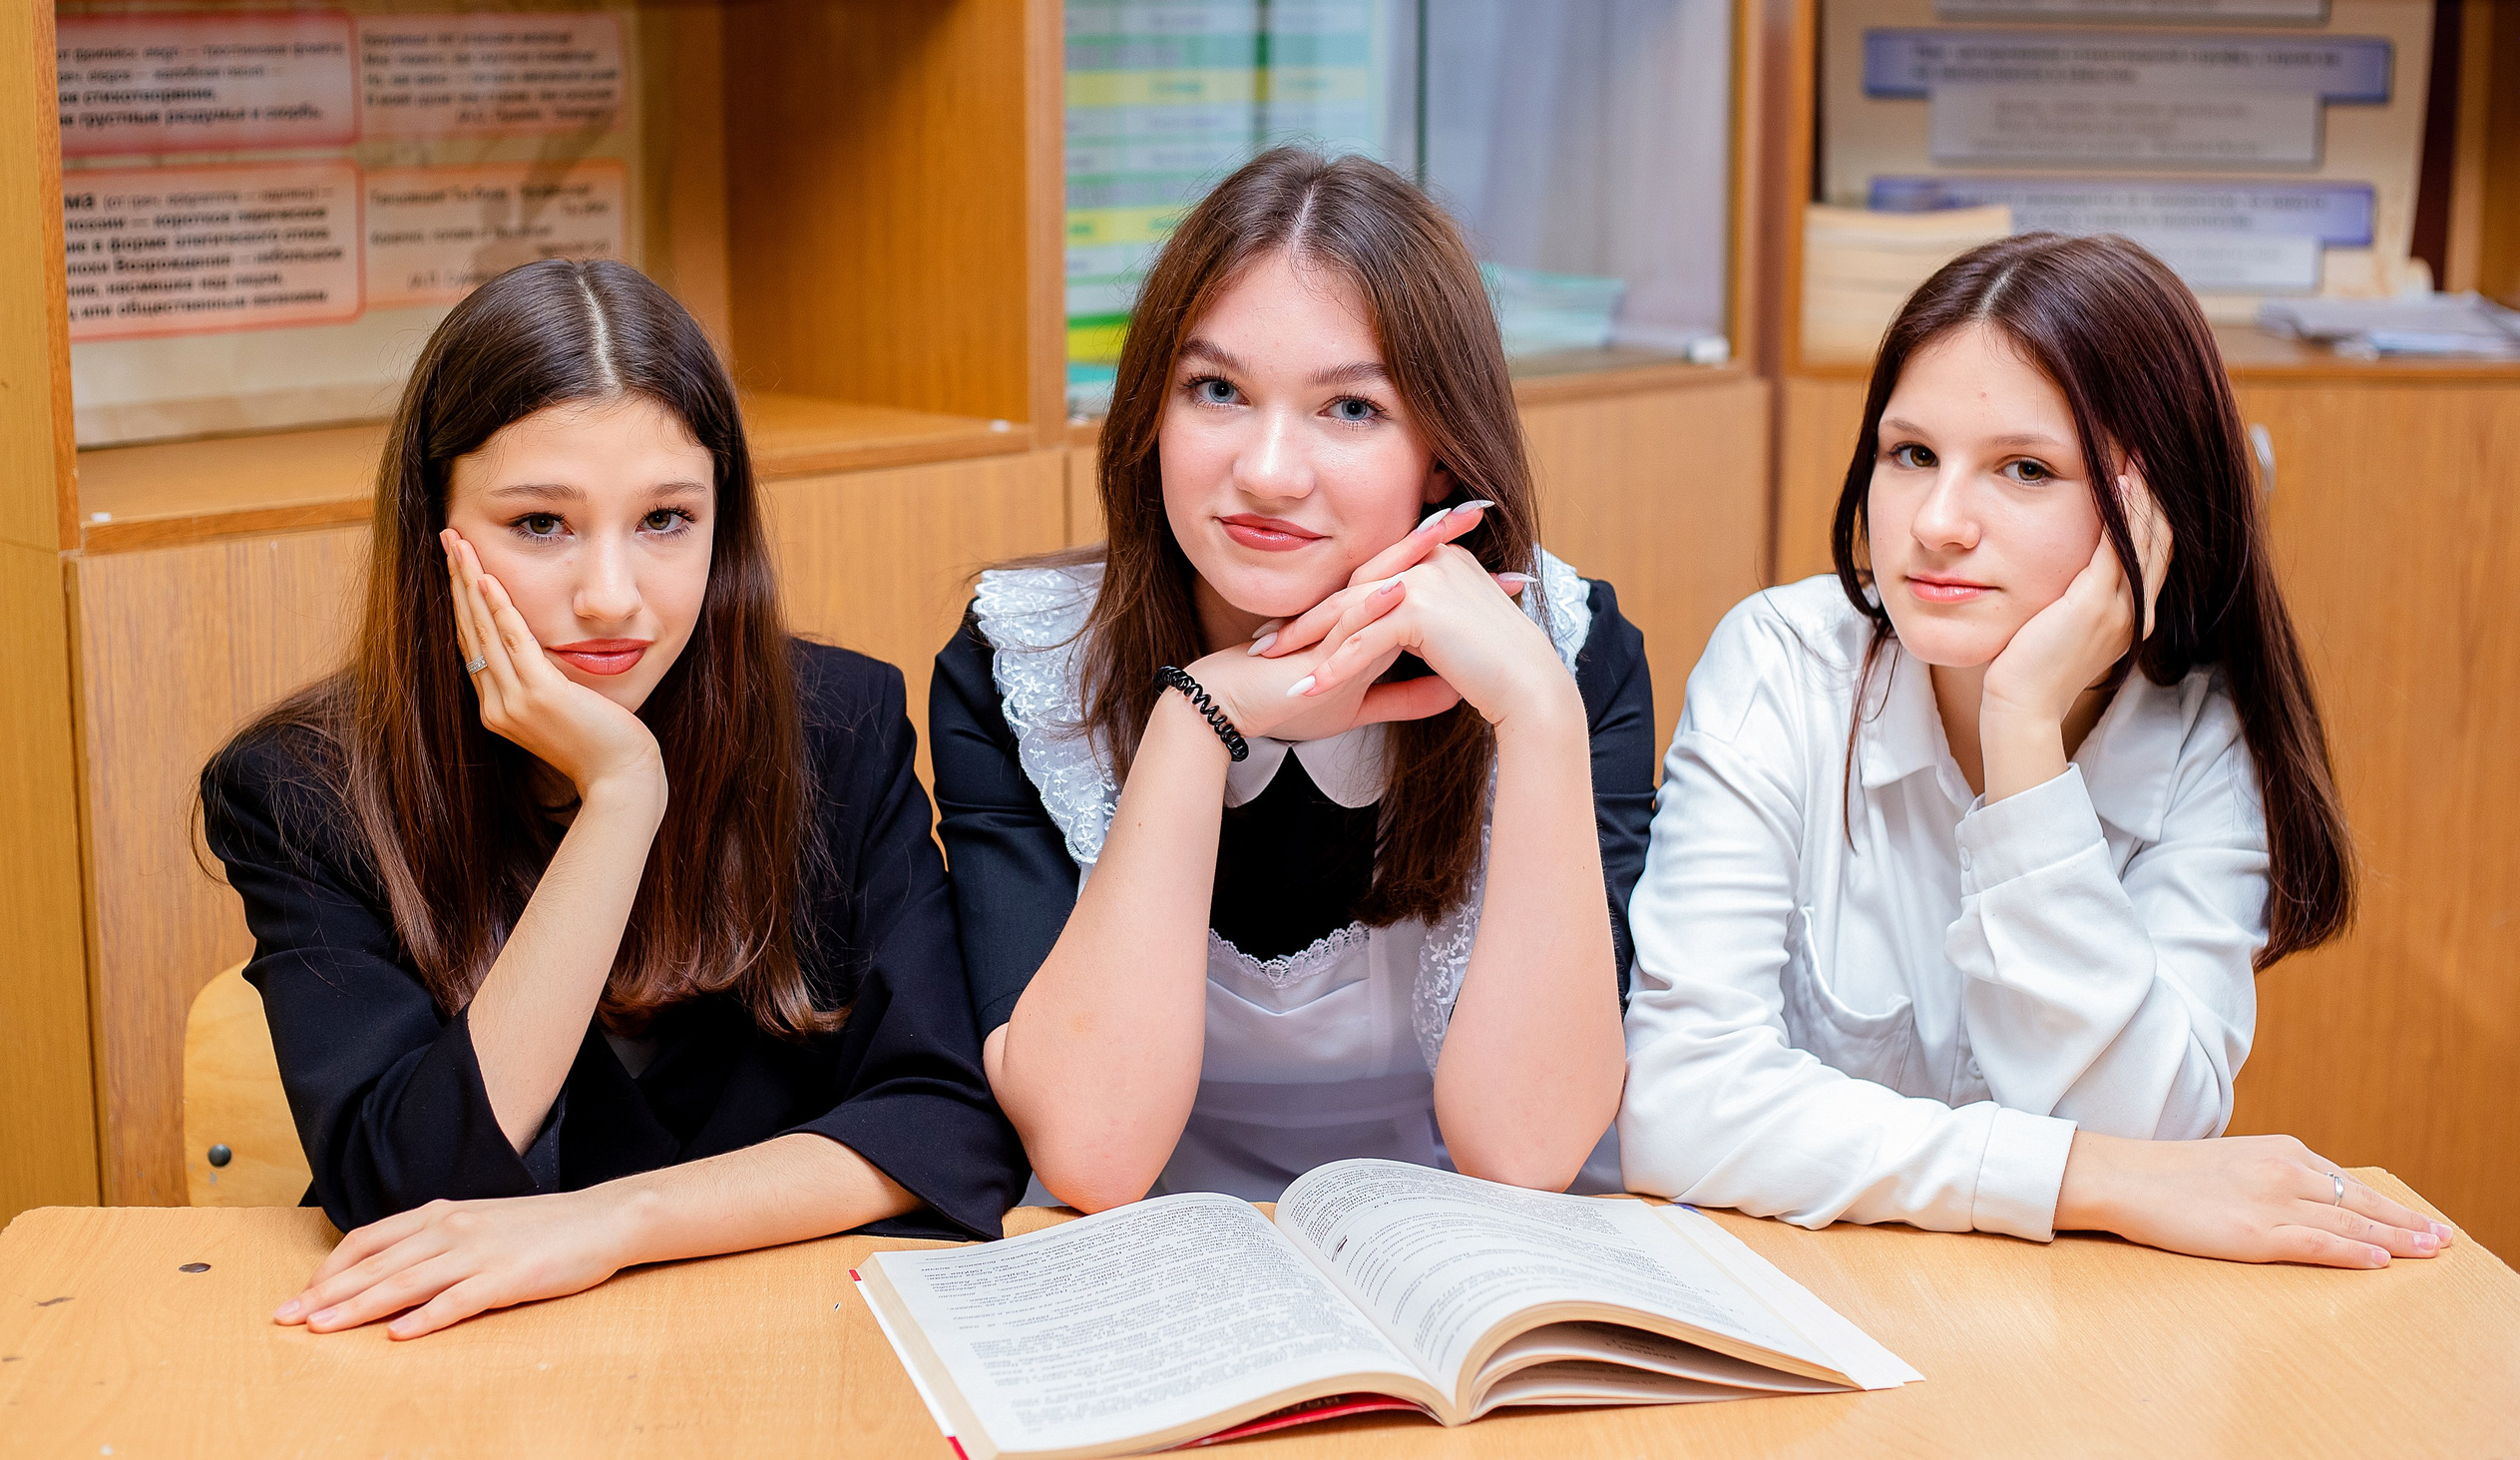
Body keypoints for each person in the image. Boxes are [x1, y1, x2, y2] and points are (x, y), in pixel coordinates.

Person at [201, 259, 1026, 1339]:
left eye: (666, 520)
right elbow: (412, 1188)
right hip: (474, 1364)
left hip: (787, 1328)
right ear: (431, 528)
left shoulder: (837, 725)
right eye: (540, 524)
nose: (610, 596)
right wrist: (621, 794)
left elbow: (947, 1119)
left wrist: (615, 1222)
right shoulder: (304, 789)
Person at [1618, 234, 2453, 1268]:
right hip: (1805, 1302)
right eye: (1909, 454)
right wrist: (2081, 1178)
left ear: (2152, 516)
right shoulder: (1781, 662)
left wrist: (2023, 738)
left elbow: (2146, 1131)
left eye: (2025, 470)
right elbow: (1679, 1107)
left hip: (2067, 1338)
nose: (1935, 522)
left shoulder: (2202, 734)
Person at [932, 148, 1654, 1211]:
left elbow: (1527, 1155)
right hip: (1160, 1275)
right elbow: (1092, 1154)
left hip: (1459, 1267)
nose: (1268, 472)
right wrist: (1196, 723)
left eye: (1349, 409)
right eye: (1216, 390)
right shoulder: (1028, 657)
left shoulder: (1567, 650)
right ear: (1150, 415)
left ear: (1444, 458)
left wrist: (1539, 714)